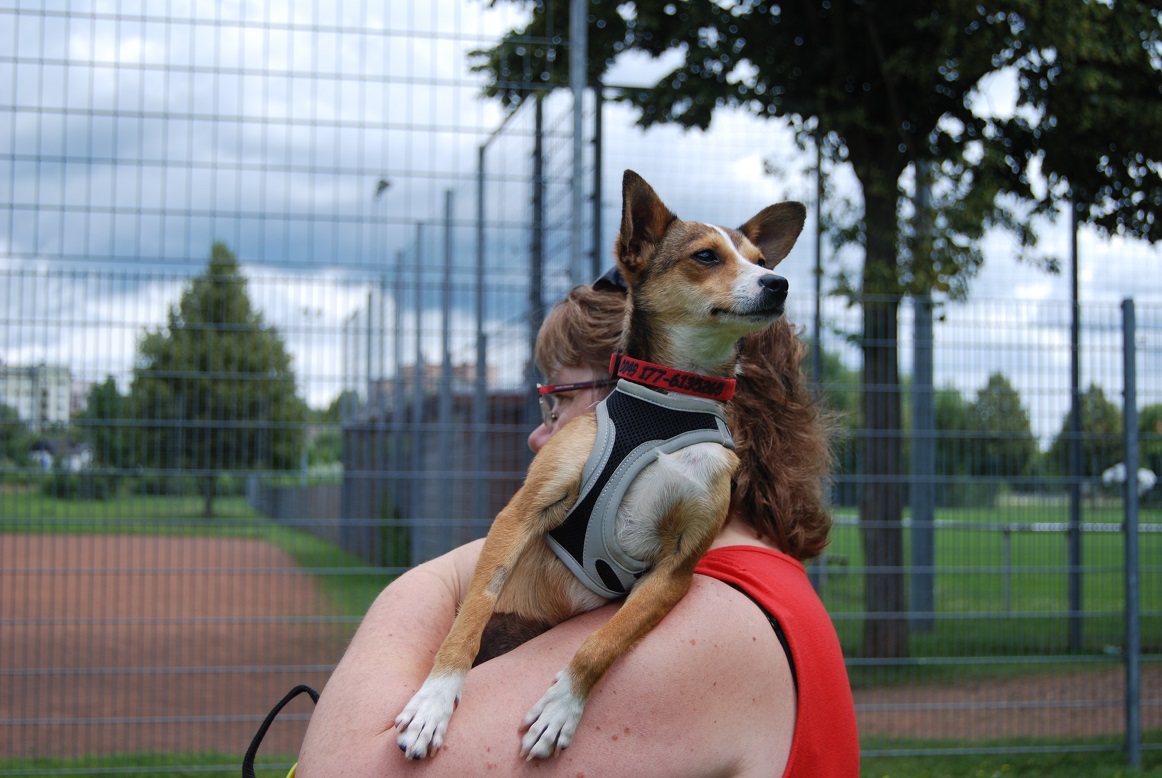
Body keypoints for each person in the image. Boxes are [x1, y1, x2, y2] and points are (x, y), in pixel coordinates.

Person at [295, 273, 859, 777]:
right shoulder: (751, 583)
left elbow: (343, 769)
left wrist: (453, 569)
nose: (538, 435)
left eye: (558, 402)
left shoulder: (707, 624)